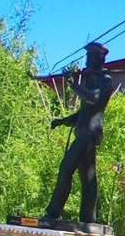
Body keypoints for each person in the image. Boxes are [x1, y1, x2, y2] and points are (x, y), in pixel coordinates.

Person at [44, 42, 117, 224]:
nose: (87, 61)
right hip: (83, 131)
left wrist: (72, 85)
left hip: (90, 134)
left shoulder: (105, 80)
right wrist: (63, 121)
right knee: (88, 178)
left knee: (66, 168)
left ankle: (53, 213)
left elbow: (93, 99)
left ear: (100, 59)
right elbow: (83, 112)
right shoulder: (90, 79)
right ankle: (88, 218)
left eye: (91, 58)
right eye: (87, 57)